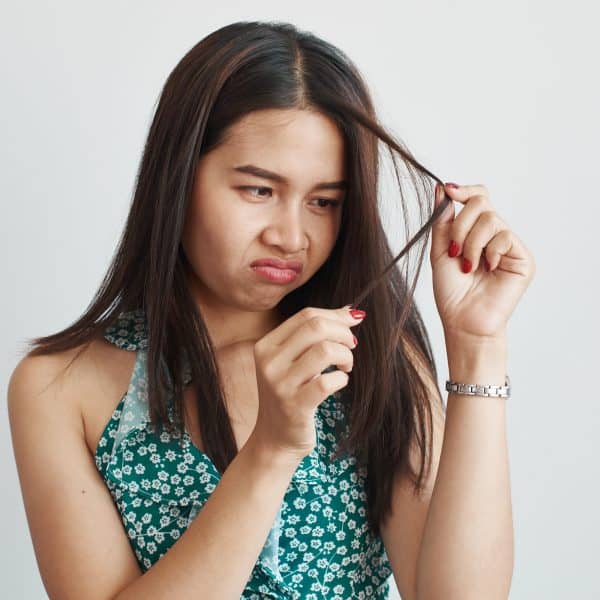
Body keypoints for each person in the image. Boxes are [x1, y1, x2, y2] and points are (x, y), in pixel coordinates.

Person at [7, 20, 535, 600]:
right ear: (179, 176)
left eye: (324, 201)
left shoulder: (374, 360)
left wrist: (478, 347)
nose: (291, 236)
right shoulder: (60, 387)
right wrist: (271, 450)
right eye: (258, 190)